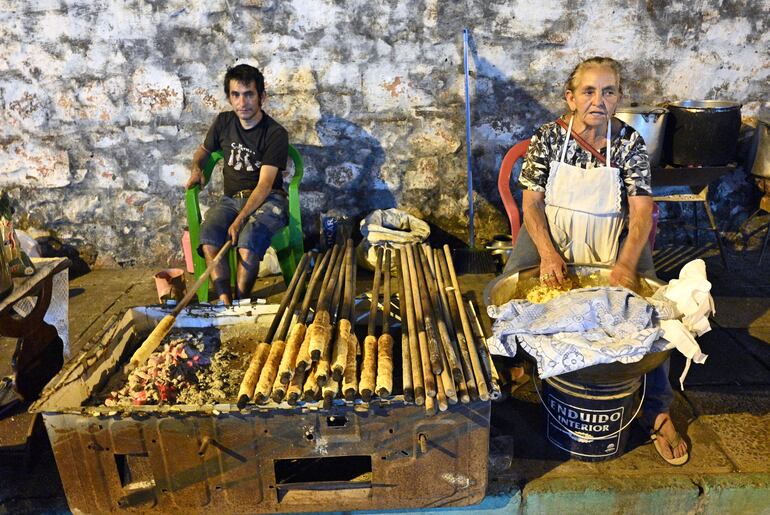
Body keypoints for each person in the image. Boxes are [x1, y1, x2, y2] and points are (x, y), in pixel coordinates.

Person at [506, 56, 689, 465]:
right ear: (571, 98)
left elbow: (641, 212)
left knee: (655, 316)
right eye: (588, 91)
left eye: (608, 92)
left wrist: (625, 263)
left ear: (618, 98)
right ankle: (510, 375)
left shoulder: (628, 143)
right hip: (551, 232)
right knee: (507, 295)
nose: (598, 100)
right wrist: (548, 253)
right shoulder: (548, 137)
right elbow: (531, 204)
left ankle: (657, 410)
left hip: (611, 234)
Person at [186, 64, 289, 305]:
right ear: (229, 97)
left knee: (248, 242)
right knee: (209, 237)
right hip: (231, 200)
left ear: (262, 96)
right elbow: (203, 150)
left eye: (249, 94)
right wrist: (197, 168)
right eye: (236, 95)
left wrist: (241, 219)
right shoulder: (224, 122)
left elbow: (265, 185)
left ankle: (242, 302)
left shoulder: (275, 133)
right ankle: (225, 304)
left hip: (268, 200)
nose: (242, 102)